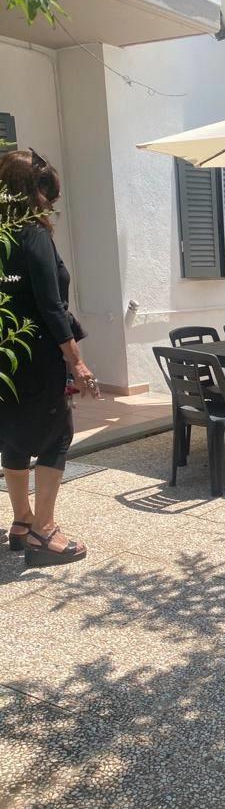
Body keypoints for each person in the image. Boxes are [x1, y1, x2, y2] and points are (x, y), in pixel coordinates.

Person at [0, 149, 99, 565]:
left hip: (5, 357)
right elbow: (50, 305)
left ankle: (21, 522)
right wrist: (77, 361)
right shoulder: (32, 235)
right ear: (34, 192)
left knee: (12, 435)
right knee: (58, 434)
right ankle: (44, 531)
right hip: (37, 356)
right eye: (48, 197)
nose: (50, 206)